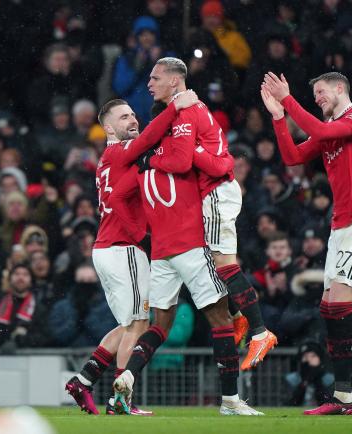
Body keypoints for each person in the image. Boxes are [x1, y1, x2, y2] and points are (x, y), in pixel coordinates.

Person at [109, 68, 261, 416]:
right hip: (191, 246)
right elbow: (212, 164)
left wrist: (140, 232)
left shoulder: (139, 162)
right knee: (222, 321)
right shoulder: (181, 158)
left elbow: (118, 196)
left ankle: (128, 378)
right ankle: (230, 401)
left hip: (161, 251)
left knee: (159, 326)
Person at [261, 71, 352, 416]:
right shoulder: (328, 130)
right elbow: (293, 158)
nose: (318, 99)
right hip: (341, 227)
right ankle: (343, 396)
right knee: (329, 311)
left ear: (340, 89)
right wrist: (280, 119)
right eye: (314, 96)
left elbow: (322, 130)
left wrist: (287, 100)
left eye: (321, 92)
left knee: (340, 307)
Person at [64, 90, 200, 416]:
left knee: (130, 324)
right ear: (109, 129)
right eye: (124, 117)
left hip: (111, 248)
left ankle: (84, 379)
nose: (133, 119)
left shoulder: (110, 159)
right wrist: (173, 111)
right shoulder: (120, 151)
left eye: (132, 114)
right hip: (123, 247)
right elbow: (149, 139)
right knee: (139, 323)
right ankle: (120, 399)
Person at [142, 57, 277, 370]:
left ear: (175, 81)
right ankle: (240, 316)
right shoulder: (183, 111)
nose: (149, 83)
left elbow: (179, 162)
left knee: (223, 263)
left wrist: (151, 160)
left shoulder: (186, 110)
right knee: (212, 262)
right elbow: (211, 159)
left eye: (155, 78)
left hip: (216, 193)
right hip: (214, 190)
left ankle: (260, 331)